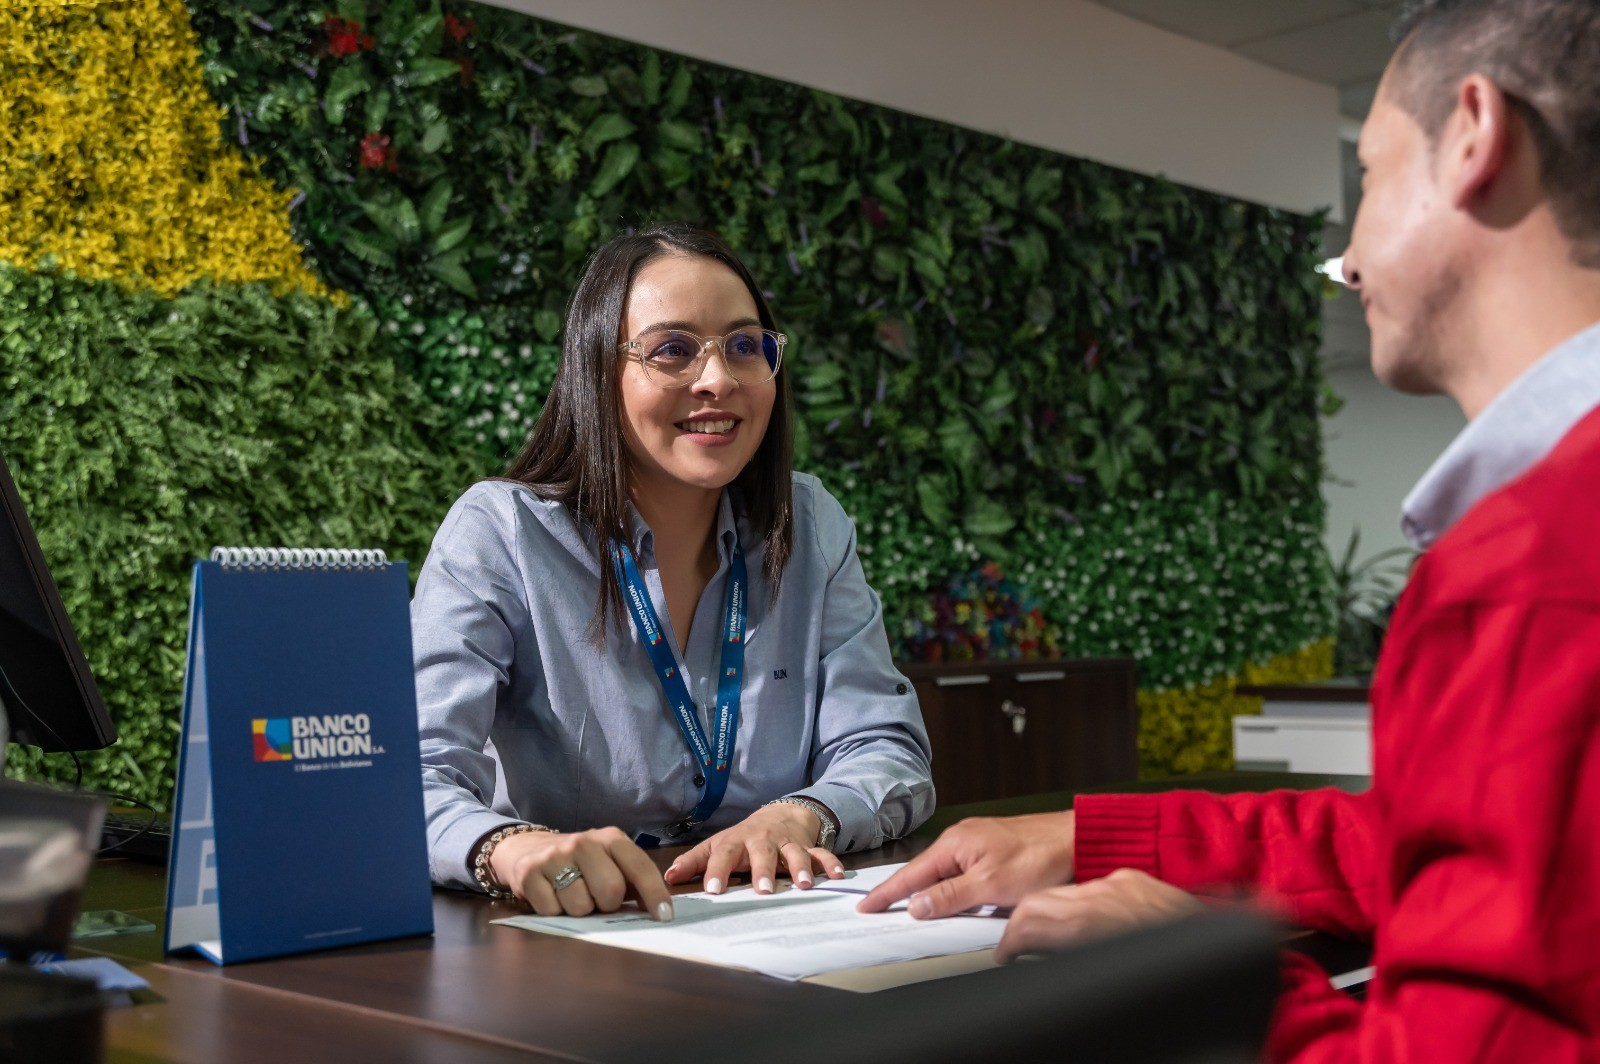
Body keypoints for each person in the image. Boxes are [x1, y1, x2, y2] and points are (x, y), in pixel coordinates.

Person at [861, 0, 1600, 1057]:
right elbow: (1427, 843)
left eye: (1373, 175)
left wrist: (1207, 974)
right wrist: (1107, 837)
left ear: (1476, 134)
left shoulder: (1534, 567)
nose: (1345, 254)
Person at [414, 225, 933, 922]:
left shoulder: (808, 522)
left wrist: (805, 814)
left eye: (746, 346)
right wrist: (505, 847)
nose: (718, 379)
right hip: (567, 939)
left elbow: (885, 747)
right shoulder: (502, 533)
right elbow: (413, 775)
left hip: (775, 924)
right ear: (598, 370)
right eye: (672, 350)